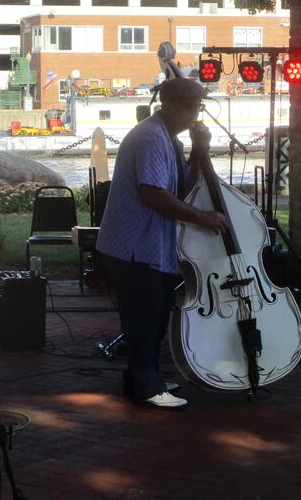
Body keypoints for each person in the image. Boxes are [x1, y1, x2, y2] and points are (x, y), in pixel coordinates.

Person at [96, 77, 227, 409]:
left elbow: (184, 189)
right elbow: (153, 194)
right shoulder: (152, 137)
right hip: (134, 246)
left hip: (149, 247)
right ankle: (147, 387)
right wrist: (202, 218)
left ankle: (143, 378)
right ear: (169, 105)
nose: (196, 114)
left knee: (152, 316)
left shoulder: (169, 139)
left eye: (199, 107)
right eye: (192, 106)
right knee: (144, 317)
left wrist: (200, 150)